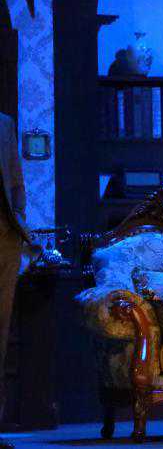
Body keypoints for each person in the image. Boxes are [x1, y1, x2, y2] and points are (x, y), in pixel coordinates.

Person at [0, 113, 30, 449]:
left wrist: (19, 224)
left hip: (5, 240)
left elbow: (16, 182)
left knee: (1, 333)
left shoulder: (4, 124)